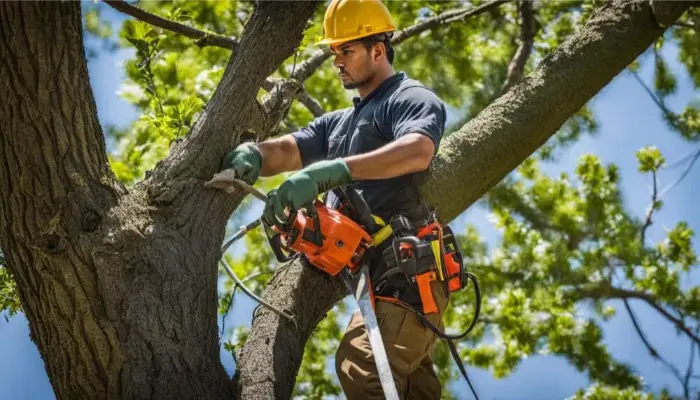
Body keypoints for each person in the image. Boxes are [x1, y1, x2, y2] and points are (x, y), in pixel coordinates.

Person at [209, 0, 449, 398]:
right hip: (378, 279)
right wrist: (253, 154)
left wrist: (334, 171)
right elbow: (289, 149)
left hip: (407, 271)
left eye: (346, 50)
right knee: (410, 390)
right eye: (333, 51)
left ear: (378, 49)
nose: (336, 61)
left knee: (364, 366)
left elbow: (418, 150)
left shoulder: (408, 98)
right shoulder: (340, 122)